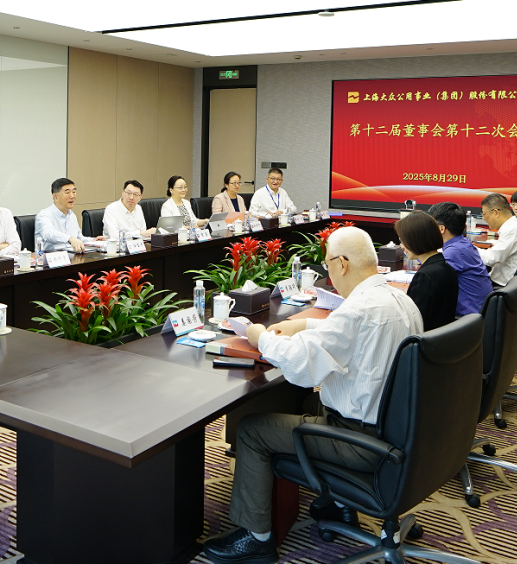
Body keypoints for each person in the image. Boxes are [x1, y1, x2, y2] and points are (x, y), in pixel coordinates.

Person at [201, 227, 423, 564]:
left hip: (362, 441)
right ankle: (340, 505)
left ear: (342, 264)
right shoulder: (400, 300)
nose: (328, 273)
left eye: (328, 264)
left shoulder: (358, 311)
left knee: (251, 430)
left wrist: (260, 337)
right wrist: (303, 326)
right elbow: (350, 333)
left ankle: (256, 539)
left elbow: (301, 364)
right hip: (400, 430)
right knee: (308, 402)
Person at [393, 211, 458, 331]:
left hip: (425, 339)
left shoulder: (425, 276)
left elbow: (414, 323)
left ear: (416, 239)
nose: (402, 246)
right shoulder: (446, 267)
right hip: (442, 337)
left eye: (403, 241)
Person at [429, 202, 492, 316]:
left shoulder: (454, 252)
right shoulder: (463, 243)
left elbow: (430, 278)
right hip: (481, 312)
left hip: (468, 318)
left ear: (441, 229)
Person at [479, 193, 517, 287]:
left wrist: (470, 248)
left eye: (484, 214)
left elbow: (490, 259)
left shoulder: (512, 231)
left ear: (496, 212)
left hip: (506, 286)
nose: (483, 218)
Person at [36, 177, 85, 253]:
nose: (72, 196)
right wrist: (70, 239)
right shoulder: (44, 215)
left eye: (74, 192)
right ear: (55, 196)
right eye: (67, 192)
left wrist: (94, 241)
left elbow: (79, 238)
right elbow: (49, 234)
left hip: (71, 256)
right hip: (50, 257)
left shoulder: (72, 215)